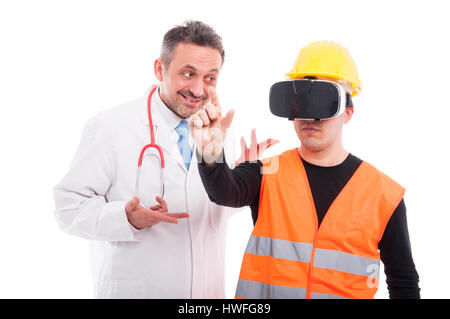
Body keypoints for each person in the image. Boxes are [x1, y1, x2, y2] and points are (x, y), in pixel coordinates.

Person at [53, 20, 274, 299]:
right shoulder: (111, 127)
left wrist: (235, 181)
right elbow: (67, 208)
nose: (198, 89)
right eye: (188, 73)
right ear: (160, 68)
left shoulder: (217, 132)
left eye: (210, 78)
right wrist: (126, 218)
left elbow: (211, 209)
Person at [191, 41, 420, 299]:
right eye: (301, 101)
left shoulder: (383, 196)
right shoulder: (268, 173)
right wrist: (210, 151)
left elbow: (404, 284)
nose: (309, 117)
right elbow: (224, 191)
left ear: (348, 113)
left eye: (323, 101)